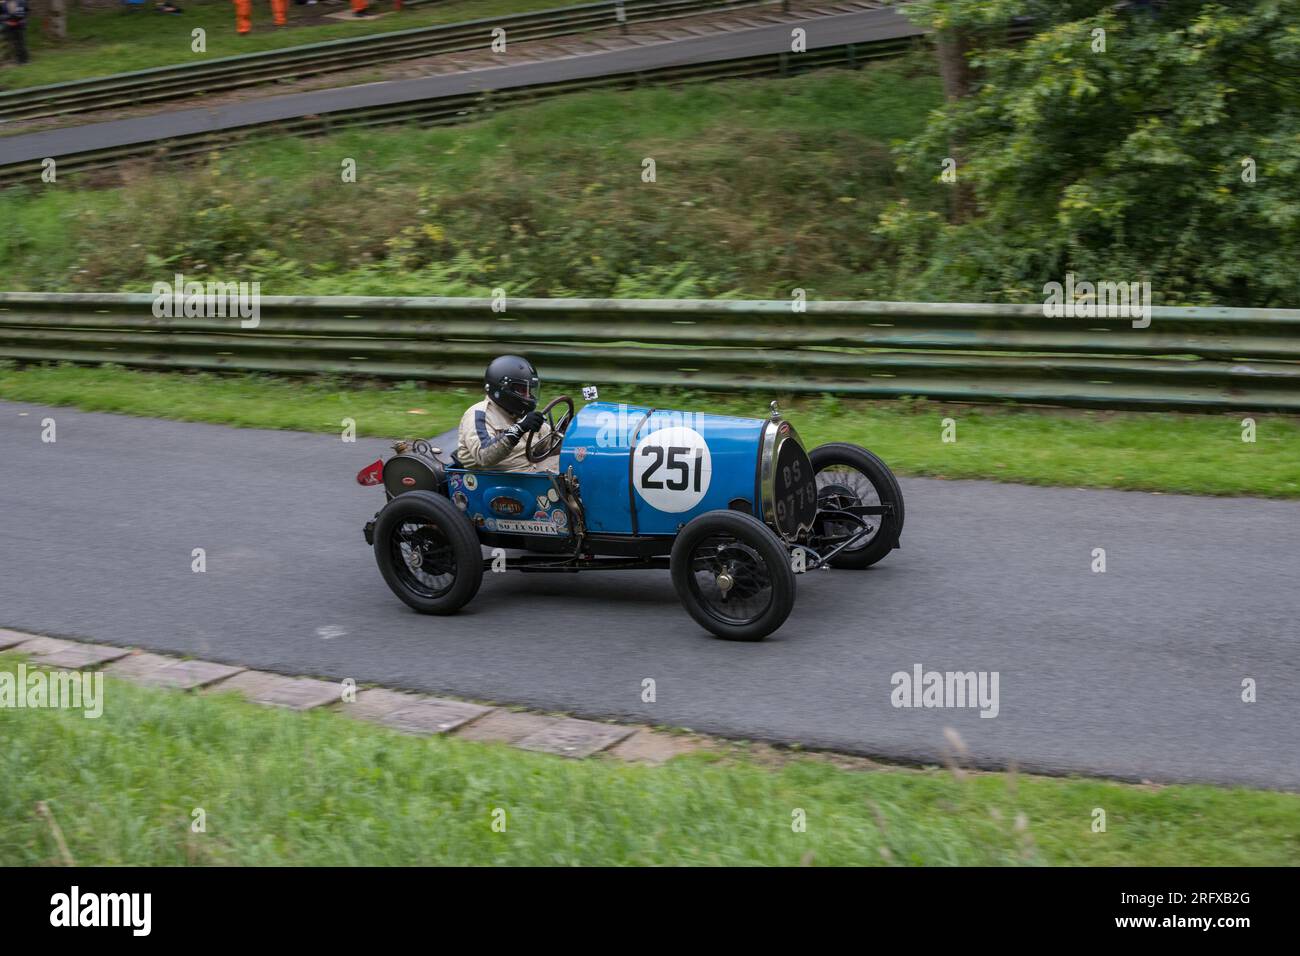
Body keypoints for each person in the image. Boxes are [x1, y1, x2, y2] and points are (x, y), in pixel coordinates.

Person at [456, 355, 559, 474]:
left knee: (576, 464)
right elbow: (484, 456)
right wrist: (518, 429)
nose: (527, 396)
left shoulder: (521, 414)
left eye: (529, 390)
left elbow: (548, 446)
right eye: (521, 390)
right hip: (498, 481)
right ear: (502, 389)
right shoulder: (478, 414)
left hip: (530, 474)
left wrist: (566, 433)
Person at [2, 0, 28, 66]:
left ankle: (25, 60)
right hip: (9, 26)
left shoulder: (22, 2)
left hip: (19, 25)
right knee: (14, 43)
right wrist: (7, 21)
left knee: (22, 43)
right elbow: (1, 16)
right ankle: (19, 60)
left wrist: (21, 21)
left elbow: (25, 13)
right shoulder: (4, 4)